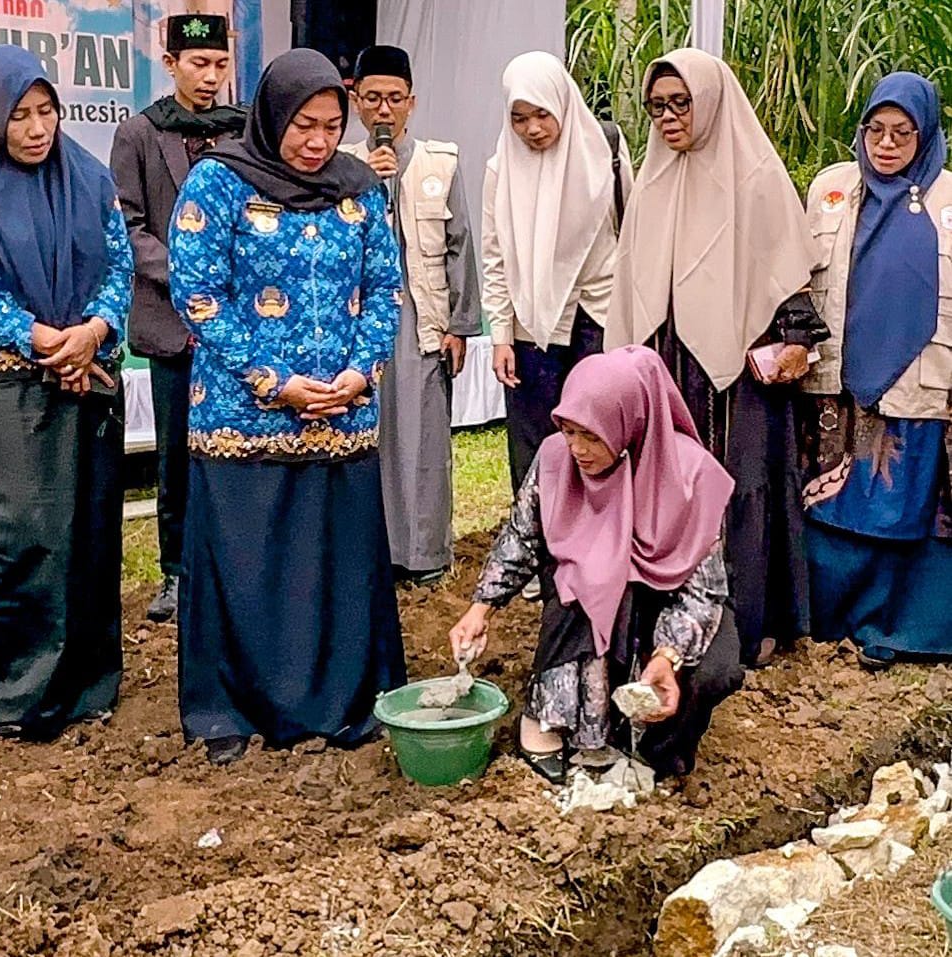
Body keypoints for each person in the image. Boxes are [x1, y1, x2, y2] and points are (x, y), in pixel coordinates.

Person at [168, 49, 405, 765]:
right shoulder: (219, 184)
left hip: (340, 418)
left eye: (333, 126)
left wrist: (362, 374)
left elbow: (385, 290)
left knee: (335, 569)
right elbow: (198, 295)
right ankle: (231, 713)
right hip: (246, 418)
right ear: (273, 117)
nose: (317, 142)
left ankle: (344, 702)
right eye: (304, 124)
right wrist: (274, 381)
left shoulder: (361, 191)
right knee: (250, 568)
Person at [604, 49, 829, 668]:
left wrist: (790, 340)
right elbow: (631, 283)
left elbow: (788, 281)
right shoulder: (650, 181)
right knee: (670, 489)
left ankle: (747, 625)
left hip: (737, 371)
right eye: (657, 108)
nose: (670, 118)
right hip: (670, 364)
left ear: (710, 100)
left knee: (739, 489)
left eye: (682, 103)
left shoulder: (754, 175)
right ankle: (671, 625)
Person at [449, 347, 742, 784]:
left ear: (631, 423)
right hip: (592, 594)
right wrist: (480, 609)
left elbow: (702, 593)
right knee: (588, 578)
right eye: (568, 431)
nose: (577, 449)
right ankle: (559, 719)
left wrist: (667, 655)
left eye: (591, 435)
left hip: (672, 603)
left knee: (716, 668)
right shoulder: (556, 460)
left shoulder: (691, 476)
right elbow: (522, 538)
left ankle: (654, 746)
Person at [0, 46, 132, 739]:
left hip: (87, 374)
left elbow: (118, 263)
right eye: (19, 116)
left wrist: (93, 330)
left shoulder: (86, 178)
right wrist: (42, 338)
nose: (36, 129)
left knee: (88, 529)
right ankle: (4, 685)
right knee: (26, 533)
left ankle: (83, 682)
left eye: (47, 111)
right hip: (8, 384)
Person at [801, 72, 952, 670]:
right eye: (876, 130)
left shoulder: (949, 200)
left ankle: (897, 628)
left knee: (904, 507)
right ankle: (828, 616)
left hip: (921, 382)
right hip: (840, 381)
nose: (886, 145)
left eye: (903, 133)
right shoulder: (832, 188)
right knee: (834, 506)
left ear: (927, 136)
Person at [111, 14, 246, 623]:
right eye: (198, 64)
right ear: (171, 64)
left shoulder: (244, 131)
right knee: (176, 455)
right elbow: (130, 226)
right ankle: (176, 573)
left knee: (239, 448)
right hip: (172, 324)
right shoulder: (139, 133)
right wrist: (190, 272)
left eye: (220, 64)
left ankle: (238, 565)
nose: (210, 76)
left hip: (241, 324)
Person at [340, 44, 482, 585]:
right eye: (372, 98)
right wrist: (367, 183)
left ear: (412, 103)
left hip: (422, 321)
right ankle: (371, 551)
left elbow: (459, 245)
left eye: (394, 99)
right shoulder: (340, 166)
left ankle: (424, 554)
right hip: (361, 325)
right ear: (355, 102)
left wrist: (460, 326)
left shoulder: (440, 162)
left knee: (422, 442)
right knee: (368, 437)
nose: (383, 110)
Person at [482, 50, 633, 497]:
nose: (533, 129)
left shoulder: (604, 148)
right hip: (534, 325)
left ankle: (605, 536)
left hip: (602, 316)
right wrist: (500, 336)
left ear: (563, 102)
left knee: (604, 433)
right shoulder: (501, 168)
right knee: (537, 443)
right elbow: (495, 256)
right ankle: (539, 542)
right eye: (520, 118)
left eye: (542, 114)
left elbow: (632, 230)